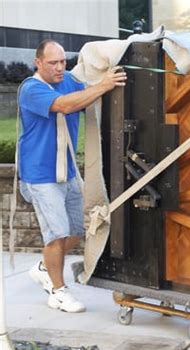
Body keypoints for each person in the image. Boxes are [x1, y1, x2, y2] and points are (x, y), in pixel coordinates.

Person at [18, 39, 127, 313]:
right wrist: (103, 86)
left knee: (78, 231)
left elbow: (89, 91)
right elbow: (65, 105)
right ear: (38, 62)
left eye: (62, 62)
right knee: (56, 235)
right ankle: (57, 291)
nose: (59, 68)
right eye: (52, 63)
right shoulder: (30, 89)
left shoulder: (68, 79)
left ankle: (45, 267)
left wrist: (104, 79)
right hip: (40, 176)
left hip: (66, 171)